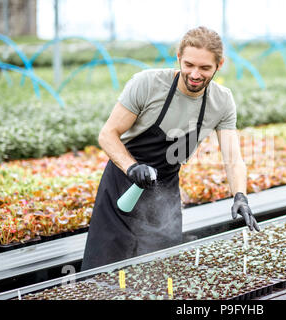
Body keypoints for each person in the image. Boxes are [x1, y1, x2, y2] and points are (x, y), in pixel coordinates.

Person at [81, 26, 260, 271]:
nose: (195, 74)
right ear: (178, 57)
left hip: (163, 193)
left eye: (205, 68)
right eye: (189, 65)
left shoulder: (221, 101)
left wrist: (240, 195)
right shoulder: (147, 84)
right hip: (122, 187)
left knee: (162, 271)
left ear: (219, 65)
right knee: (105, 271)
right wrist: (132, 167)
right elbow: (108, 135)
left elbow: (233, 158)